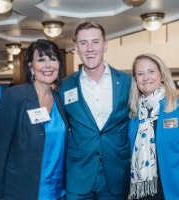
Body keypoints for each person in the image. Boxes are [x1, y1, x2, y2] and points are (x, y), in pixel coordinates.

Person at [59, 21, 131, 200]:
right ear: (76, 48)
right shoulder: (66, 85)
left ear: (105, 46)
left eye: (95, 42)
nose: (90, 48)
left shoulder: (127, 82)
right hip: (78, 174)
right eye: (83, 43)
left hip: (116, 172)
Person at [0, 39, 68, 200]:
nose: (48, 65)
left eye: (53, 59)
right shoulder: (15, 97)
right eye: (41, 59)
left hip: (58, 192)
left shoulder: (60, 99)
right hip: (23, 192)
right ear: (31, 67)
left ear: (59, 65)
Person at [128, 53, 179, 200]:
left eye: (151, 71)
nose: (146, 77)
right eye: (140, 73)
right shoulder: (134, 114)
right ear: (135, 80)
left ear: (162, 75)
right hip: (142, 192)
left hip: (173, 190)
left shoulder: (177, 107)